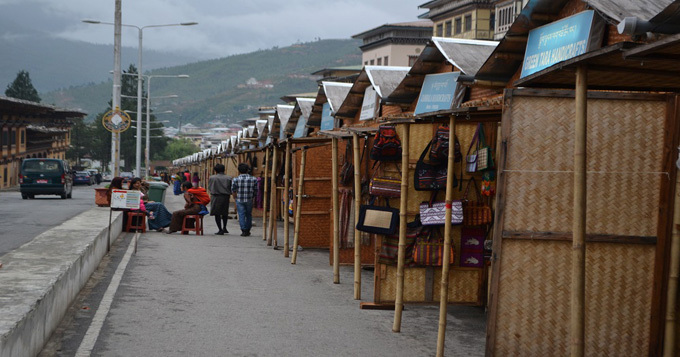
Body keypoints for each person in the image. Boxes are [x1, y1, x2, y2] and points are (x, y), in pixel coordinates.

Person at [231, 163, 258, 236]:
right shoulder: (253, 179)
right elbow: (256, 190)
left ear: (239, 171)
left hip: (239, 199)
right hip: (249, 199)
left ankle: (243, 230)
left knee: (241, 214)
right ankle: (248, 229)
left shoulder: (236, 179)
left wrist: (235, 198)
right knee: (248, 214)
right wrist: (253, 197)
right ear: (247, 170)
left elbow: (233, 190)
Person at [208, 163, 232, 235]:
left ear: (215, 170)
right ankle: (225, 227)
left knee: (217, 213)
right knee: (225, 212)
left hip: (216, 196)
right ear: (224, 170)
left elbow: (210, 187)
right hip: (225, 196)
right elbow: (231, 187)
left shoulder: (212, 178)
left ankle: (220, 229)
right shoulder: (229, 178)